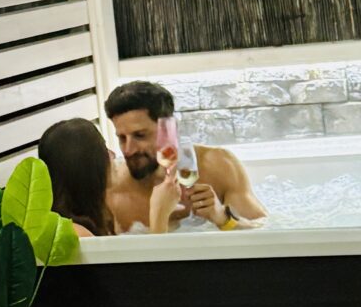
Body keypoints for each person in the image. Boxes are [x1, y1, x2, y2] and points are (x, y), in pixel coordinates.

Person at [102, 80, 266, 235]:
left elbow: (265, 233)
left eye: (140, 135)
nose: (128, 150)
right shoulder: (114, 191)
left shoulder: (217, 166)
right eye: (122, 138)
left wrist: (222, 218)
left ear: (169, 130)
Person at [37, 116, 178, 237]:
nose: (113, 155)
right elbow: (153, 262)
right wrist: (159, 217)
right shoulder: (76, 234)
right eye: (104, 150)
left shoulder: (95, 213)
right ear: (89, 167)